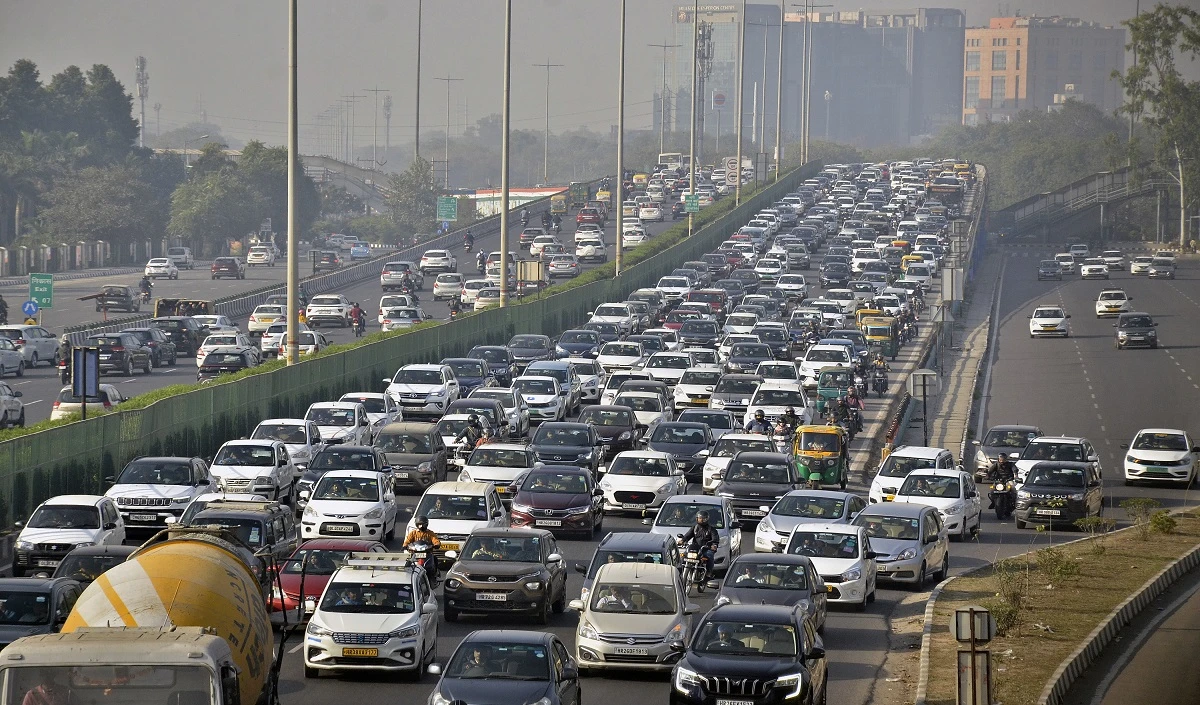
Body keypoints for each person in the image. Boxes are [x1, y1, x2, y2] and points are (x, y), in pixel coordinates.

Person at [679, 511, 719, 580]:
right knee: (683, 555)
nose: (701, 520)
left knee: (710, 555)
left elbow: (715, 539)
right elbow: (687, 536)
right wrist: (682, 540)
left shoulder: (712, 529)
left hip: (706, 548)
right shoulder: (694, 528)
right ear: (697, 519)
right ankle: (679, 571)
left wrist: (714, 545)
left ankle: (708, 573)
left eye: (703, 518)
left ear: (707, 519)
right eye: (700, 518)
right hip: (695, 548)